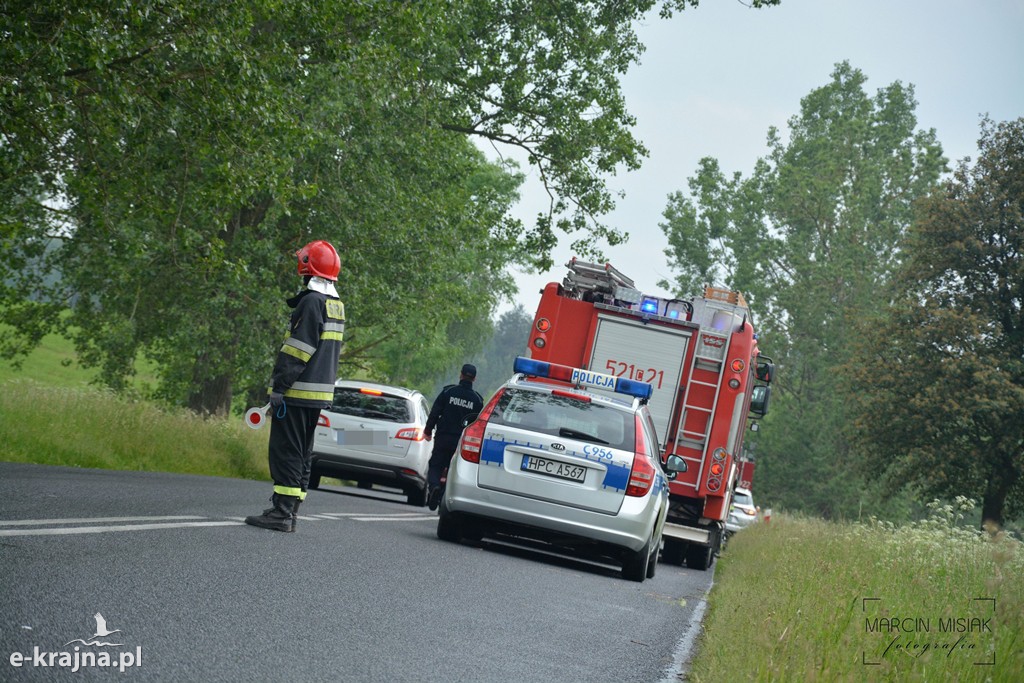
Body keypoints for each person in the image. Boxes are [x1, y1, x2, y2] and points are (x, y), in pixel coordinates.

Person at [245, 240, 345, 532]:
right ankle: (290, 510)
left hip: (298, 393)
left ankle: (281, 514)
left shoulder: (312, 302)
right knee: (302, 453)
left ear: (307, 267)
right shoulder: (334, 304)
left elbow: (298, 349)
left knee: (286, 450)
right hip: (317, 395)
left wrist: (279, 386)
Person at [424, 363, 484, 511]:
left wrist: (427, 430)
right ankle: (442, 496)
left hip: (443, 437)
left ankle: (434, 488)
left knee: (435, 465)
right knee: (453, 471)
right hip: (461, 443)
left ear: (461, 374)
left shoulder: (448, 392)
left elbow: (435, 413)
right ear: (474, 379)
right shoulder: (477, 400)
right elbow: (478, 423)